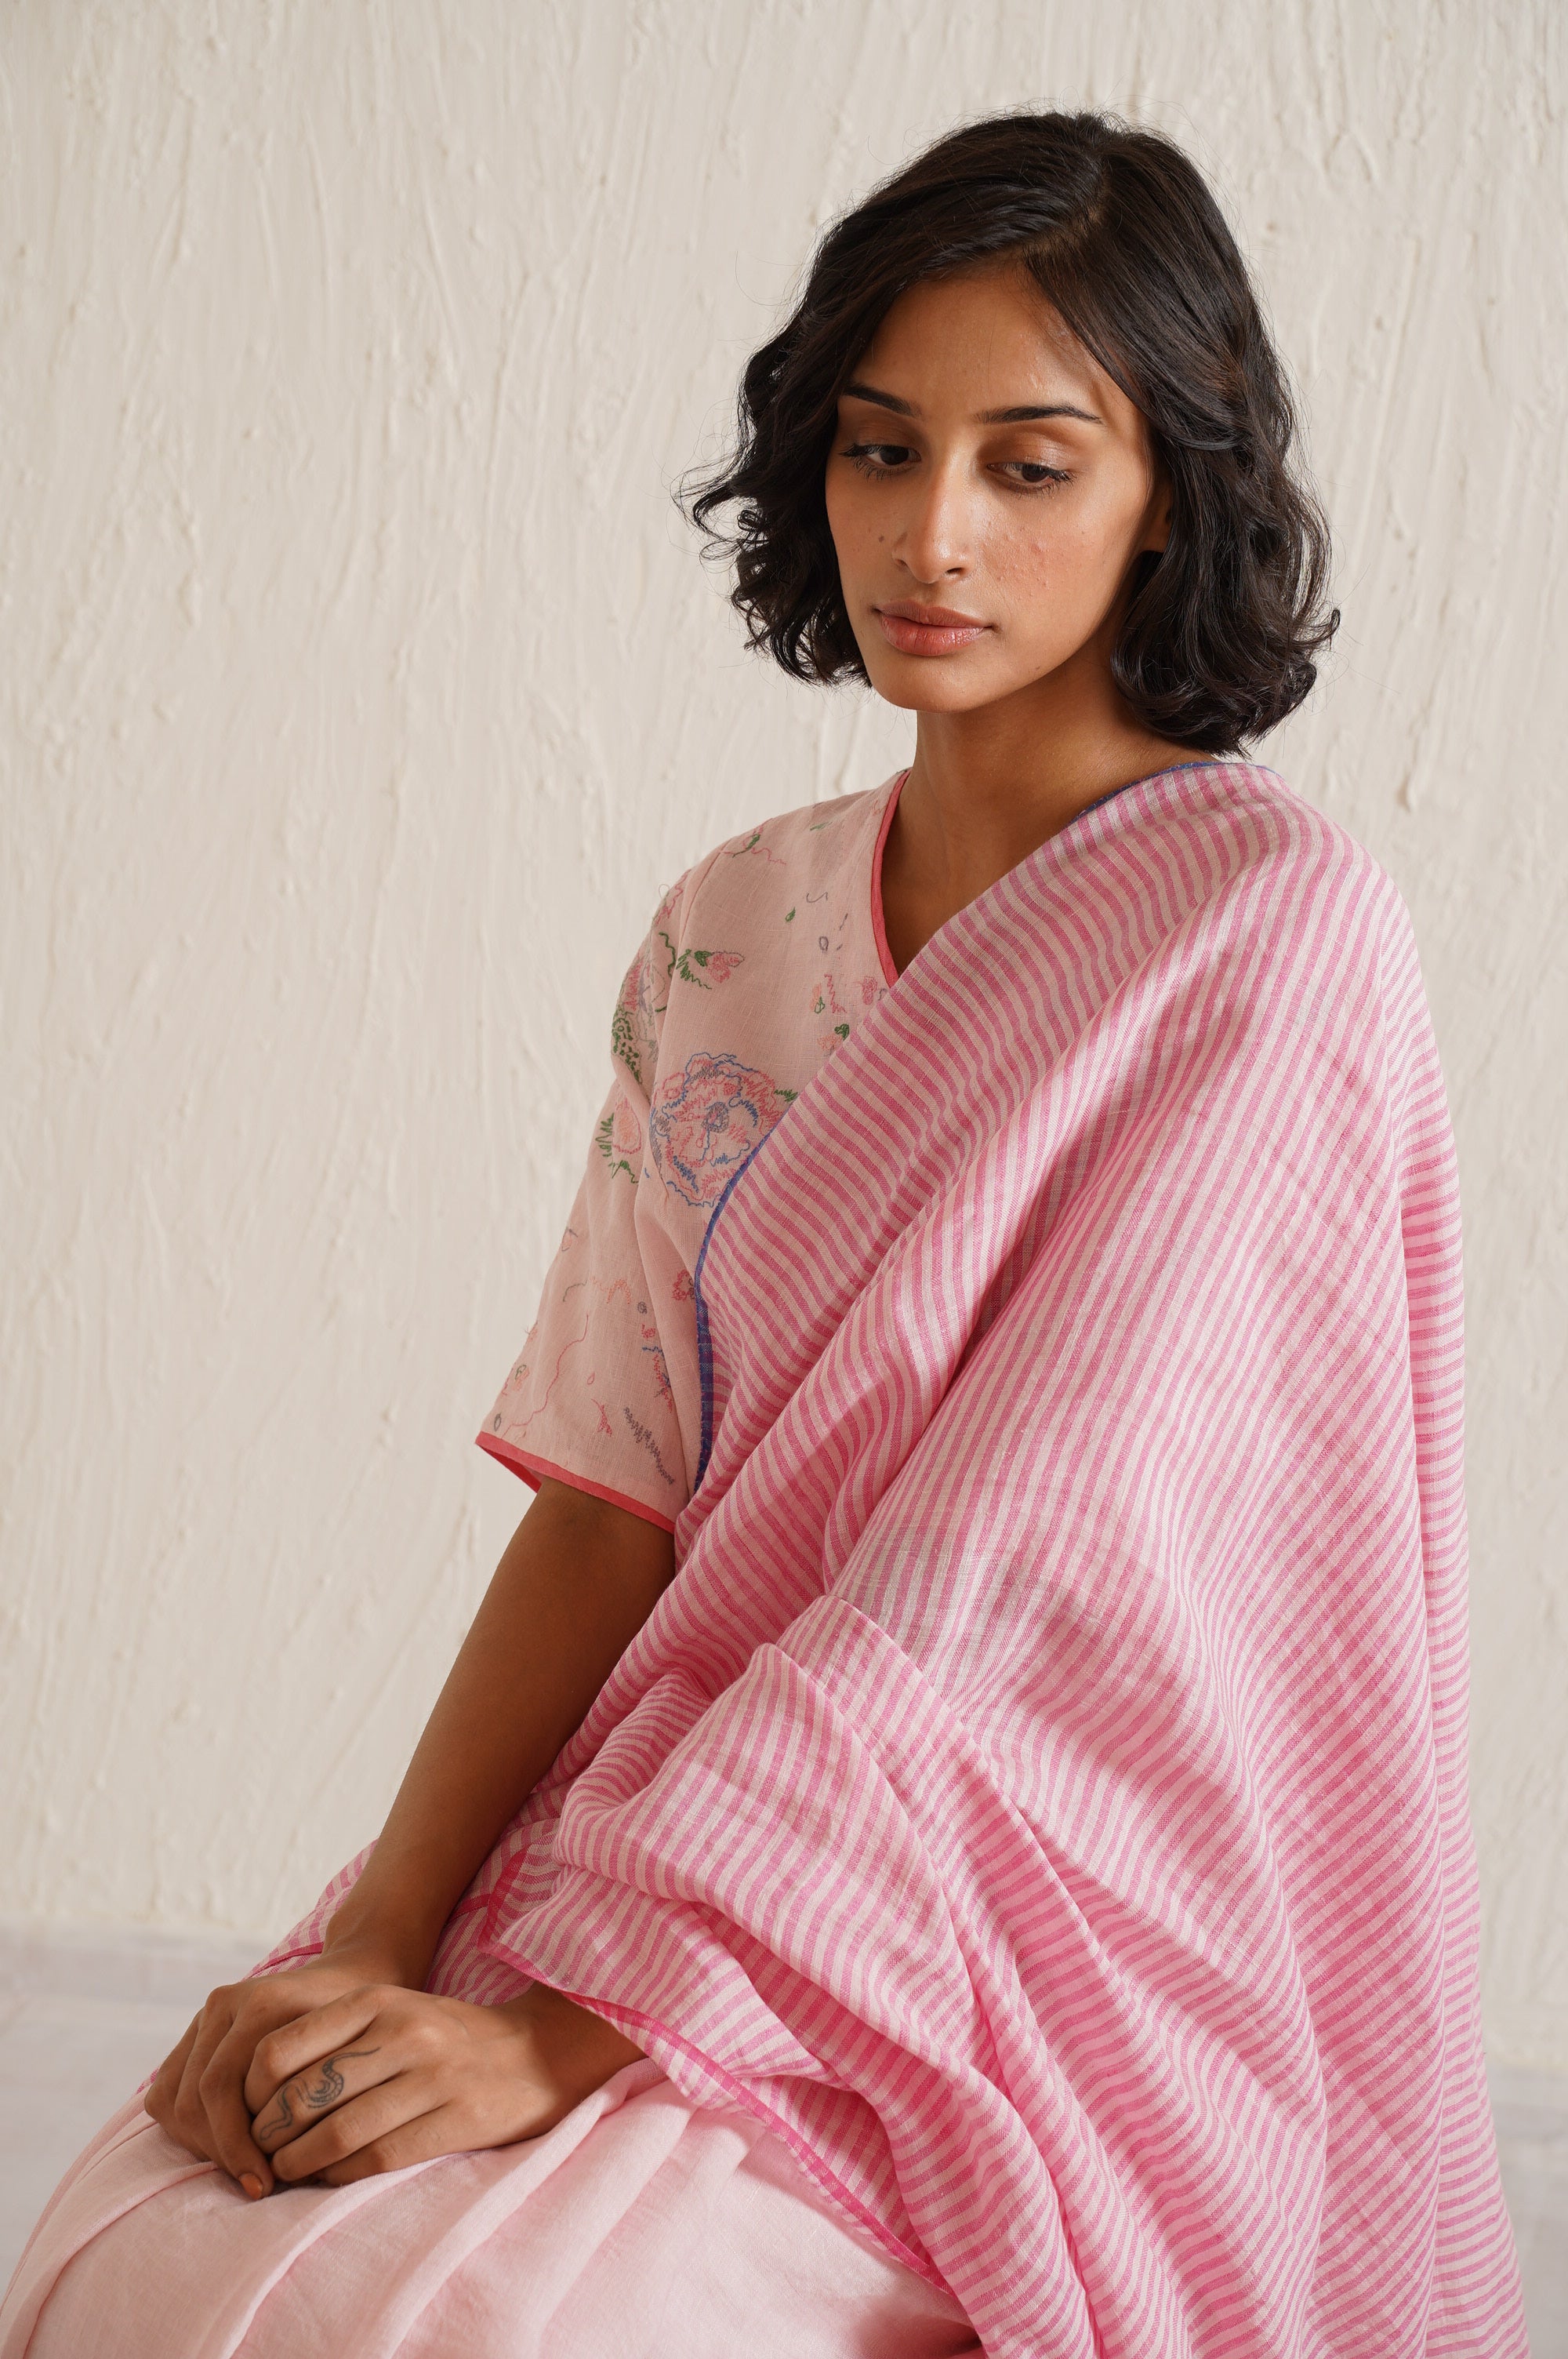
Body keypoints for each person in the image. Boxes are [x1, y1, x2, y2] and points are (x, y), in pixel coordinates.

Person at [1, 108, 1526, 2359]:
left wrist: (581, 2036)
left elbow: (1015, 1587)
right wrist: (384, 1941)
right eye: (879, 448)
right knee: (145, 2244)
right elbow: (613, 1498)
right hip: (666, 1823)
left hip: (1015, 1916)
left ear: (1172, 494)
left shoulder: (1261, 938)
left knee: (449, 2322)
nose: (932, 533)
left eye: (1030, 465)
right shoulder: (740, 923)